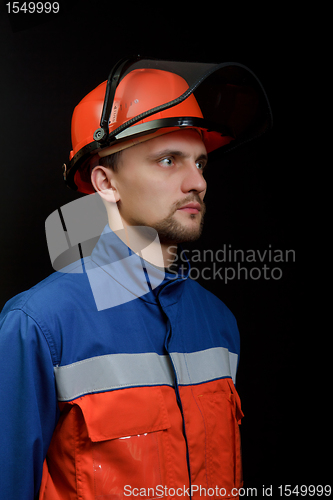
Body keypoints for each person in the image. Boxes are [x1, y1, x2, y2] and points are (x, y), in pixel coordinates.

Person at [0, 56, 272, 499]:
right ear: (106, 183)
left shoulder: (219, 323)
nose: (196, 183)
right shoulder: (39, 325)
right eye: (169, 160)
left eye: (200, 164)